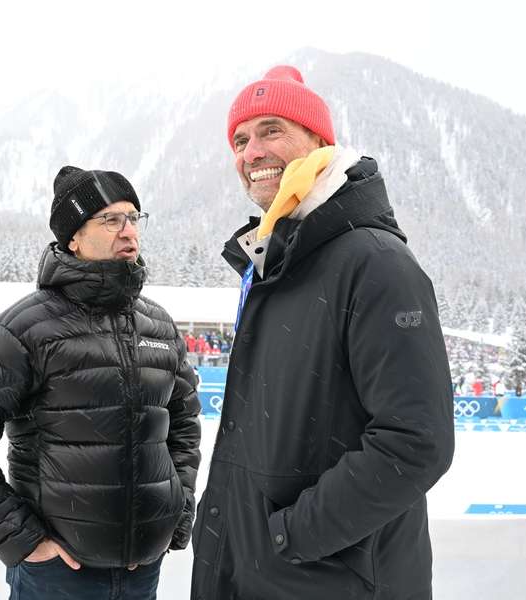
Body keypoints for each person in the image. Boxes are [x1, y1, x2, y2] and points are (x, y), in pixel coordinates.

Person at [190, 66, 455, 600]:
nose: (251, 152)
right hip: (253, 571)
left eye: (271, 131)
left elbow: (416, 441)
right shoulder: (274, 265)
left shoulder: (376, 263)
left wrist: (292, 535)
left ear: (319, 142)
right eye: (240, 140)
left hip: (327, 579)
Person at [0, 166, 201, 600]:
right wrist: (23, 540)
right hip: (58, 575)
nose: (128, 231)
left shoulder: (159, 325)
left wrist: (178, 509)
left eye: (134, 218)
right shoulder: (23, 329)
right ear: (73, 236)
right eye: (111, 220)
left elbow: (184, 425)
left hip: (144, 569)